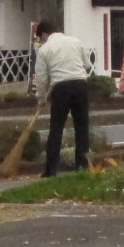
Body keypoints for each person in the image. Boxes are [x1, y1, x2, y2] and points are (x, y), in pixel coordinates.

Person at [32, 19, 91, 176]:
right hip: (80, 85)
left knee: (56, 129)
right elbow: (87, 64)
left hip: (61, 89)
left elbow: (42, 78)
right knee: (82, 128)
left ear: (44, 34)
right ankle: (82, 167)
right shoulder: (75, 41)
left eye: (40, 38)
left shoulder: (45, 50)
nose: (41, 41)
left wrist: (41, 99)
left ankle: (51, 171)